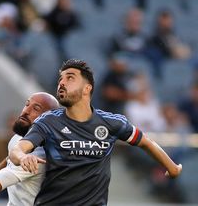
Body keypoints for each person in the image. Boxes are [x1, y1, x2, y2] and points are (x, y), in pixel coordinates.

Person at [10, 59, 182, 205]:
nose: (62, 83)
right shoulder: (48, 121)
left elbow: (146, 142)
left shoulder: (112, 123)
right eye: (60, 79)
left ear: (87, 88)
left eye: (70, 78)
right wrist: (24, 157)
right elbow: (17, 149)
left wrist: (172, 167)